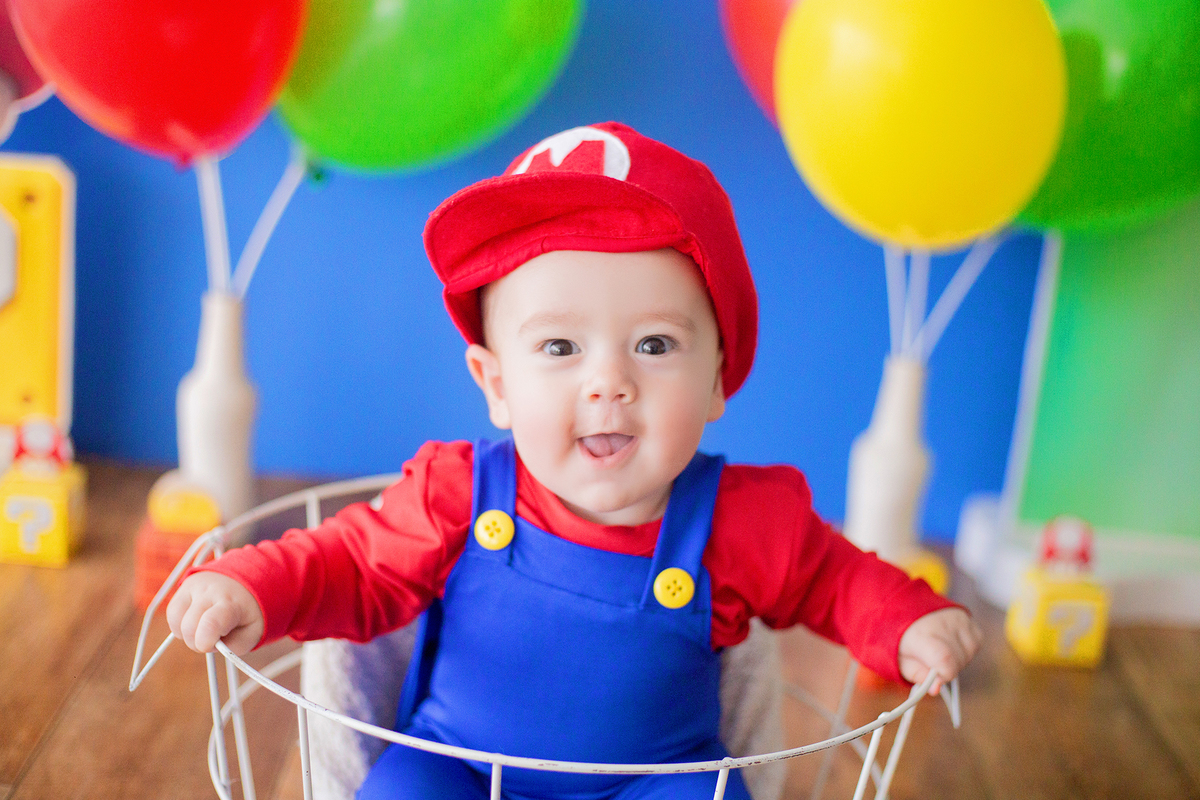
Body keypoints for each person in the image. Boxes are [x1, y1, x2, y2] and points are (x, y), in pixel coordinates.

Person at [167, 122, 982, 800]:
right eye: (559, 346)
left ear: (717, 382)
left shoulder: (739, 520)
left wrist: (907, 620)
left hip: (656, 778)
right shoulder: (459, 493)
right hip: (459, 760)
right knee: (402, 789)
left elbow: (836, 578)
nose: (609, 384)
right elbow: (349, 563)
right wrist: (253, 584)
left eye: (655, 345)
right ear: (495, 384)